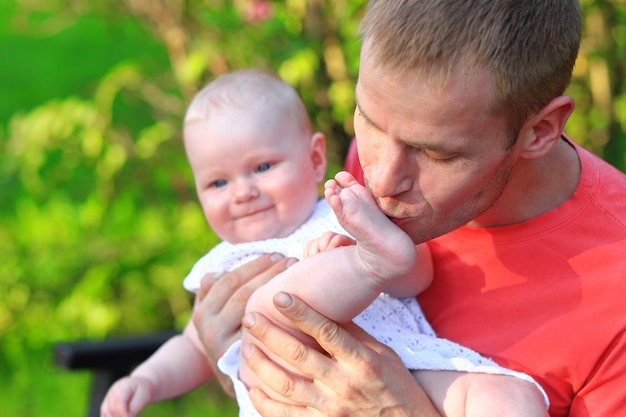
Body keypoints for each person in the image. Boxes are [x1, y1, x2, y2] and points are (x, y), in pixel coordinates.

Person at [190, 1, 626, 417]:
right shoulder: (381, 158)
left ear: (540, 130)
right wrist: (236, 359)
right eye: (369, 120)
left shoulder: (615, 296)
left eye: (435, 154)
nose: (378, 178)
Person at [100, 68, 549, 417]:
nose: (242, 192)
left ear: (315, 160)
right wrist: (147, 379)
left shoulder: (347, 212)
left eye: (261, 168)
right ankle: (366, 265)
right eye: (218, 182)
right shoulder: (223, 265)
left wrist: (387, 249)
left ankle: (372, 264)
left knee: (508, 396)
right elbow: (195, 344)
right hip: (294, 401)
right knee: (267, 305)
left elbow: (417, 277)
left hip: (401, 369)